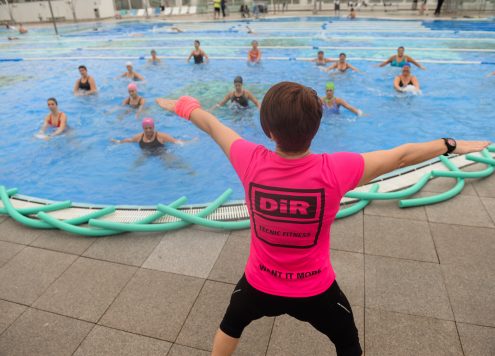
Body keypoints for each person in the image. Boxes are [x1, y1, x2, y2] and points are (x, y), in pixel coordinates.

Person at [155, 82, 490, 356]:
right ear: (316, 128)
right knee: (347, 342)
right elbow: (401, 156)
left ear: (268, 130)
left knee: (231, 325)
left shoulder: (249, 160)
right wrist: (451, 145)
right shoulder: (337, 170)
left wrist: (185, 107)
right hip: (315, 290)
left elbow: (214, 126)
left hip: (258, 283)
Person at [112, 118, 183, 149]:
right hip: (146, 153)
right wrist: (118, 142)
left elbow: (176, 141)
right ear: (143, 128)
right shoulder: (139, 137)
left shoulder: (161, 136)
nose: (148, 130)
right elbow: (129, 140)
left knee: (170, 162)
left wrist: (191, 142)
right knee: (137, 164)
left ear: (153, 127)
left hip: (161, 152)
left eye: (150, 128)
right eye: (146, 128)